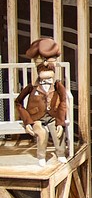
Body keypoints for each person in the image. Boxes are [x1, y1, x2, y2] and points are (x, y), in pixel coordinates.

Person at [15, 37, 68, 165]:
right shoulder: (32, 87)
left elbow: (63, 102)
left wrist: (60, 121)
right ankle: (41, 156)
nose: (45, 65)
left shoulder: (57, 86)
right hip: (36, 117)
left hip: (52, 116)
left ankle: (61, 153)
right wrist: (27, 120)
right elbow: (18, 102)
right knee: (42, 133)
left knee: (57, 131)